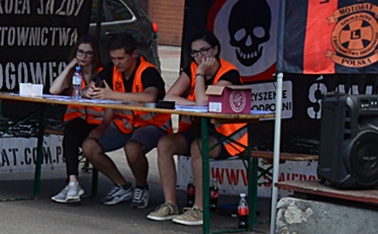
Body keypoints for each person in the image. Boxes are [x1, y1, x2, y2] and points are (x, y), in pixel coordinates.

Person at [148, 31, 247, 223]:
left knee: (198, 148)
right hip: (198, 129)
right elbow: (170, 97)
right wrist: (193, 103)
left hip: (229, 136)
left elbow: (203, 101)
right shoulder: (191, 68)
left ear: (215, 50)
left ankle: (200, 209)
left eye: (204, 51)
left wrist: (200, 74)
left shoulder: (228, 73)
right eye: (195, 53)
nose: (199, 57)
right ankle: (170, 204)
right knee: (165, 143)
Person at [79, 32, 165, 208]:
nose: (116, 63)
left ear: (134, 54)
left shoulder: (148, 71)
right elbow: (89, 88)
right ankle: (122, 186)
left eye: (120, 58)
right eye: (113, 59)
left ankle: (141, 187)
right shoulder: (112, 69)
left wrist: (113, 95)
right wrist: (88, 91)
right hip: (124, 123)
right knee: (89, 146)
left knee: (132, 148)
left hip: (151, 124)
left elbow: (150, 96)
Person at [48, 38, 106, 204]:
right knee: (71, 132)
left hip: (97, 122)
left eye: (88, 53)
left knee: (73, 134)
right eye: (80, 52)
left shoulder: (102, 73)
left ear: (95, 56)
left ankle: (71, 183)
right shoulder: (74, 73)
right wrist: (69, 67)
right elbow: (54, 90)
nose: (84, 56)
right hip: (78, 120)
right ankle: (72, 181)